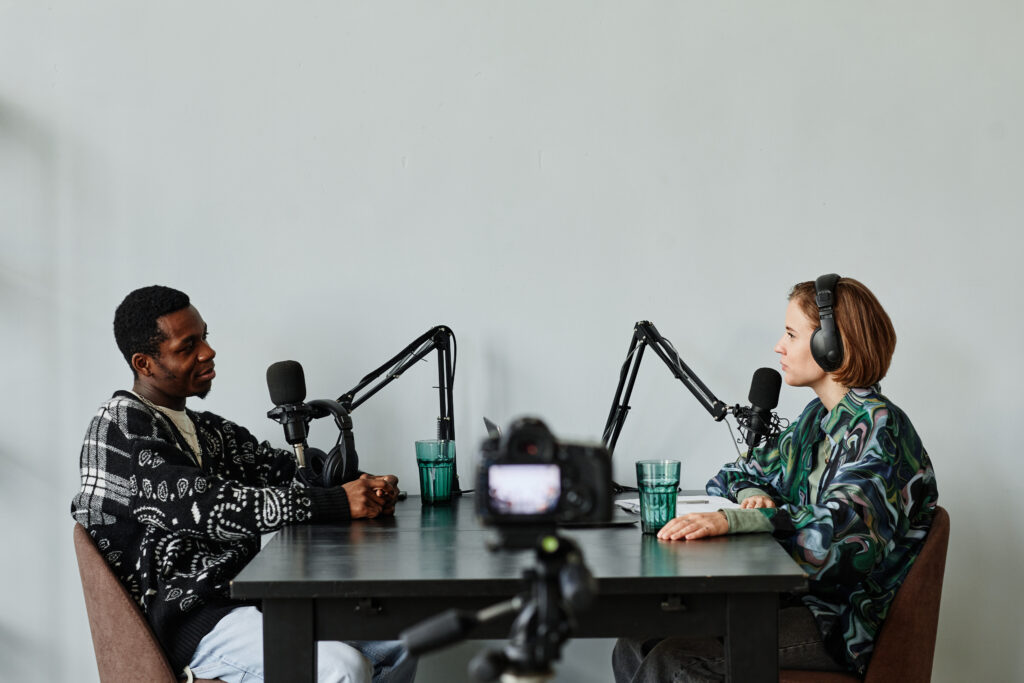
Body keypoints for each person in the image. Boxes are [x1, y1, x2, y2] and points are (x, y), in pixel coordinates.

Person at [71, 285, 416, 683]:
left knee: (407, 638)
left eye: (205, 337)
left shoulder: (208, 431)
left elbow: (288, 470)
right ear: (144, 363)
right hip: (191, 625)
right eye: (188, 346)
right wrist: (338, 502)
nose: (208, 352)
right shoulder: (118, 429)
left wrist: (361, 484)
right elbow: (205, 505)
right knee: (343, 669)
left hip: (250, 601)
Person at [613, 275, 939, 681]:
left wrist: (735, 520)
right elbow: (734, 474)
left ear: (832, 344)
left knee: (675, 659)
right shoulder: (815, 420)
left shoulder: (878, 428)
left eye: (790, 334)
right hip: (797, 602)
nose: (778, 346)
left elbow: (841, 538)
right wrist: (754, 494)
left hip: (841, 622)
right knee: (635, 642)